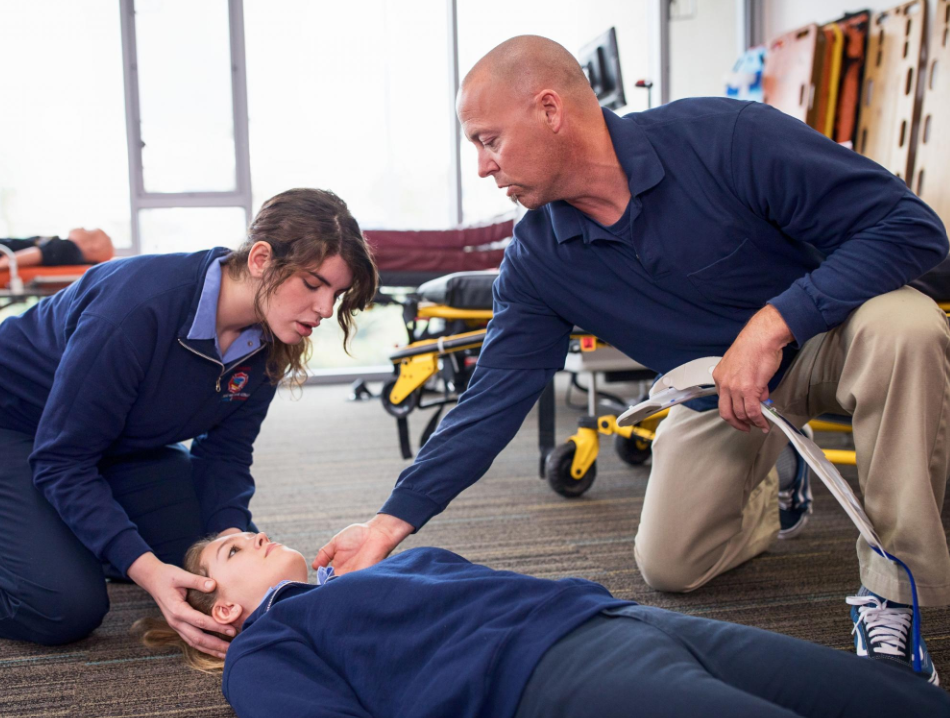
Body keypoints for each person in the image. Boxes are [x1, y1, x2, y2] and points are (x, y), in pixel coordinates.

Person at [314, 35, 950, 687]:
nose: (482, 166)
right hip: (721, 395)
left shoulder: (725, 138)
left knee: (906, 325)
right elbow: (490, 402)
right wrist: (389, 523)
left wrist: (773, 323)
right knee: (671, 566)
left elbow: (913, 229)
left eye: (488, 140)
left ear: (550, 110)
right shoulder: (538, 260)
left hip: (830, 339)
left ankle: (896, 595)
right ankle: (772, 482)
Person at [0, 188, 377, 659]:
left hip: (115, 442)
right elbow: (62, 460)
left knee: (204, 561)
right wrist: (145, 568)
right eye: (313, 285)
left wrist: (234, 542)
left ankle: (81, 541)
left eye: (335, 294)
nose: (324, 310)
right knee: (63, 605)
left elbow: (224, 455)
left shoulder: (271, 340)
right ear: (260, 259)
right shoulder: (136, 308)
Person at [133, 531, 950, 717]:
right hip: (555, 677)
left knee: (889, 696)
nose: (256, 534)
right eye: (234, 549)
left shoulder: (356, 581)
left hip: (617, 615)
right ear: (225, 607)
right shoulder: (266, 646)